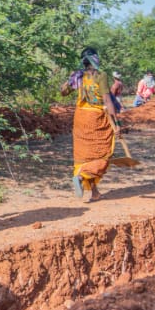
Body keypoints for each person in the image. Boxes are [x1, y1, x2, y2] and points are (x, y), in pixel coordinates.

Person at [62, 47, 120, 202]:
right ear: (95, 58)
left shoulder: (77, 76)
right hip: (96, 119)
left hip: (80, 118)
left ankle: (95, 192)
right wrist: (116, 123)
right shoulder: (100, 76)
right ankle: (82, 176)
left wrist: (69, 80)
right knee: (104, 153)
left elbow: (63, 92)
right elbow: (107, 99)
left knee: (85, 157)